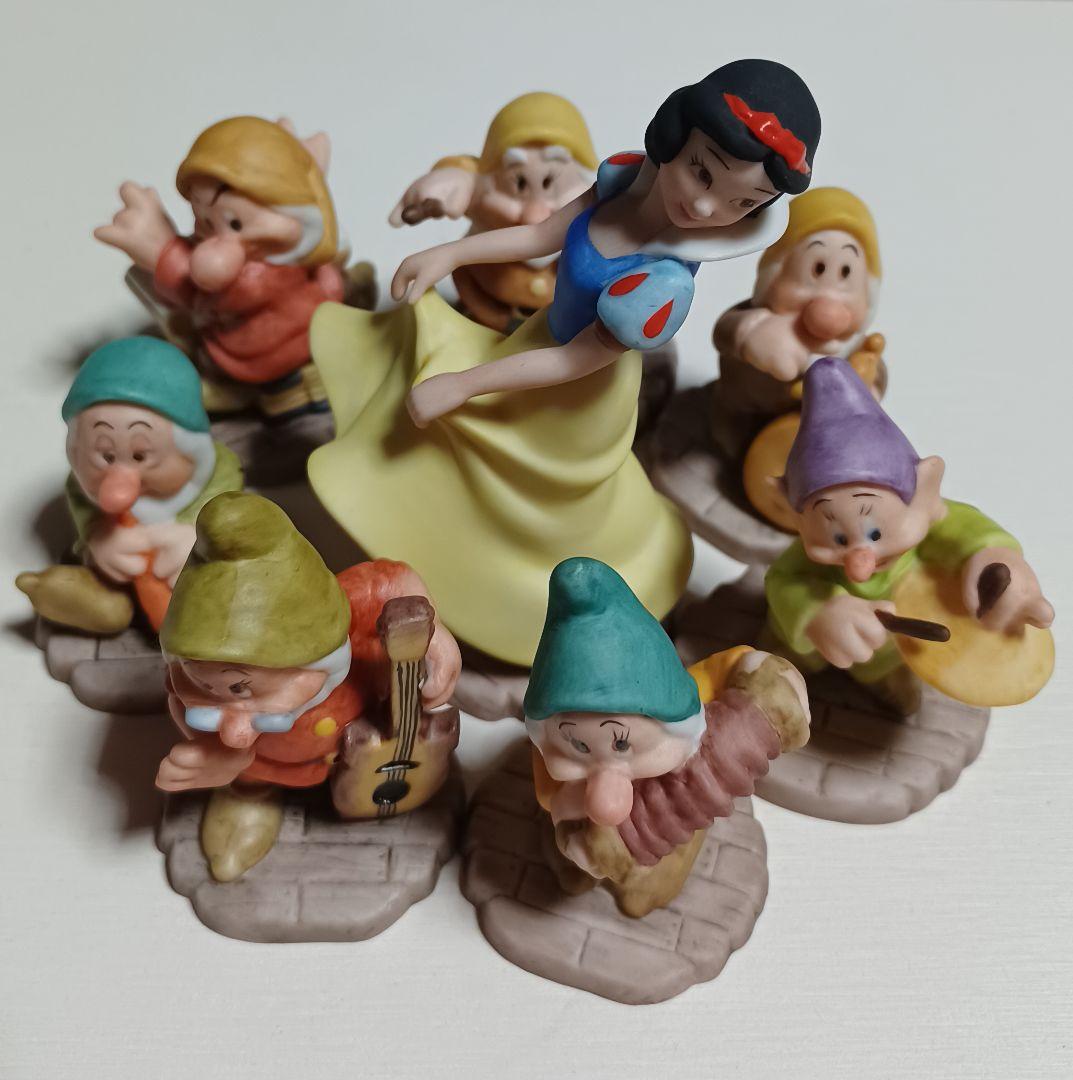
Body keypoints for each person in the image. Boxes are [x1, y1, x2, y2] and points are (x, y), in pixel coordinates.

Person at [309, 60, 822, 666]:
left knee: (514, 492)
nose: (707, 206)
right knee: (424, 388)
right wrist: (449, 254)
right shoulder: (625, 181)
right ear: (675, 137)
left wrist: (465, 384)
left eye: (742, 202)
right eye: (701, 171)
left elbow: (573, 362)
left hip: (577, 396)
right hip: (534, 339)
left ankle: (486, 593)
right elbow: (540, 236)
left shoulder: (664, 285)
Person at [156, 492, 461, 882]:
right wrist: (224, 759)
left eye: (241, 688)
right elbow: (195, 717)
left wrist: (437, 638)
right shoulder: (187, 681)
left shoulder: (342, 613)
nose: (235, 730)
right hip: (268, 766)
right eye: (201, 683)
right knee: (248, 780)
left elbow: (390, 581)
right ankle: (250, 797)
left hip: (362, 741)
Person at [764, 358, 1054, 713]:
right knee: (781, 661)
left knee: (890, 669)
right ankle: (781, 671)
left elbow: (967, 533)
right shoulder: (806, 558)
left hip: (893, 648)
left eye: (875, 532)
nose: (860, 562)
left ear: (925, 495)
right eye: (838, 540)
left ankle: (880, 678)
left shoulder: (930, 523)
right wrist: (816, 613)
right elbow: (782, 580)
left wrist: (997, 567)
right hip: (805, 644)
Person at [523, 558, 809, 916]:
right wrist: (573, 829)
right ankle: (580, 870)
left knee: (646, 890)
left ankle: (642, 888)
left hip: (674, 822)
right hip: (587, 831)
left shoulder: (687, 708)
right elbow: (551, 797)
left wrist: (776, 685)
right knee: (571, 865)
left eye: (621, 743)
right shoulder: (552, 749)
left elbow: (742, 665)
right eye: (579, 746)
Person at [95, 116, 355, 421]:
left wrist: (163, 252)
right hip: (290, 335)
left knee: (289, 402)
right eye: (205, 221)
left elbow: (204, 293)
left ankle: (289, 403)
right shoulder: (277, 258)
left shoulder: (264, 276)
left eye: (235, 223)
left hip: (281, 348)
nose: (217, 240)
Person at [17, 337, 242, 634]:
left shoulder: (219, 471)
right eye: (106, 456)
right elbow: (84, 511)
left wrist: (196, 535)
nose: (120, 480)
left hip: (195, 571)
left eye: (140, 455)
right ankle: (63, 595)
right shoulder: (79, 487)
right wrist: (98, 536)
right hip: (125, 572)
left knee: (223, 586)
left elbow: (228, 513)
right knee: (111, 611)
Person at [389, 92, 597, 333]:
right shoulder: (482, 209)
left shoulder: (600, 224)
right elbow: (467, 178)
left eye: (550, 182)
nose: (534, 217)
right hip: (485, 328)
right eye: (518, 185)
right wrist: (457, 175)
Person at [711, 186, 884, 458]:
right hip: (739, 428)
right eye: (817, 269)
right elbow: (723, 332)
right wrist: (751, 334)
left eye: (846, 273)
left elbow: (879, 374)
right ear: (775, 274)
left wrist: (870, 385)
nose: (827, 302)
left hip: (812, 450)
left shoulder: (854, 348)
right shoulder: (756, 316)